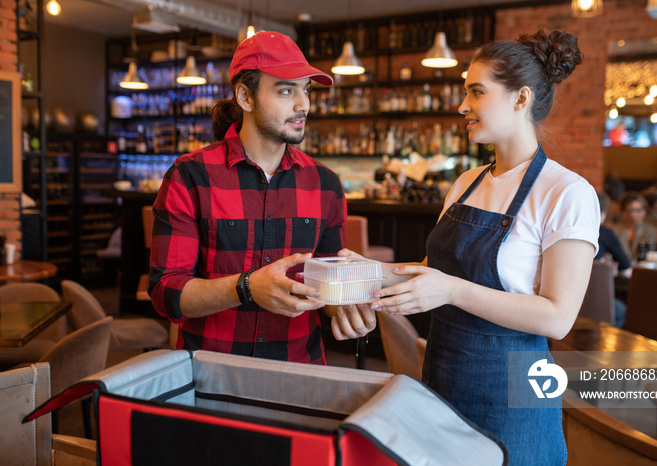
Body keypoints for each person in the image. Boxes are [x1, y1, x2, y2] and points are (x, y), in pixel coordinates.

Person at [361, 29, 599, 465]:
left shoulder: (566, 192)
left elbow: (558, 317)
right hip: (443, 380)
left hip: (515, 394)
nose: (462, 106)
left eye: (476, 92)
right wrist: (360, 273)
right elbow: (428, 276)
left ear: (520, 98)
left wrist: (452, 291)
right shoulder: (466, 184)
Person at [148, 31, 375, 364]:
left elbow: (328, 287)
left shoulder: (325, 183)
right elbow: (166, 293)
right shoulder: (190, 175)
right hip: (212, 373)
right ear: (245, 97)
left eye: (306, 90)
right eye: (286, 91)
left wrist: (348, 306)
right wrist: (246, 287)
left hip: (299, 372)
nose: (304, 105)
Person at [595, 191, 630, 328]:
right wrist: (605, 268)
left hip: (565, 300)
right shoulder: (604, 233)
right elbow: (625, 266)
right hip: (595, 300)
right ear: (602, 214)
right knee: (622, 311)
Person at [610, 191, 657, 261]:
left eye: (643, 209)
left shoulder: (649, 230)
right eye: (636, 210)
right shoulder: (613, 229)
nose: (641, 213)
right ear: (624, 213)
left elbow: (648, 255)